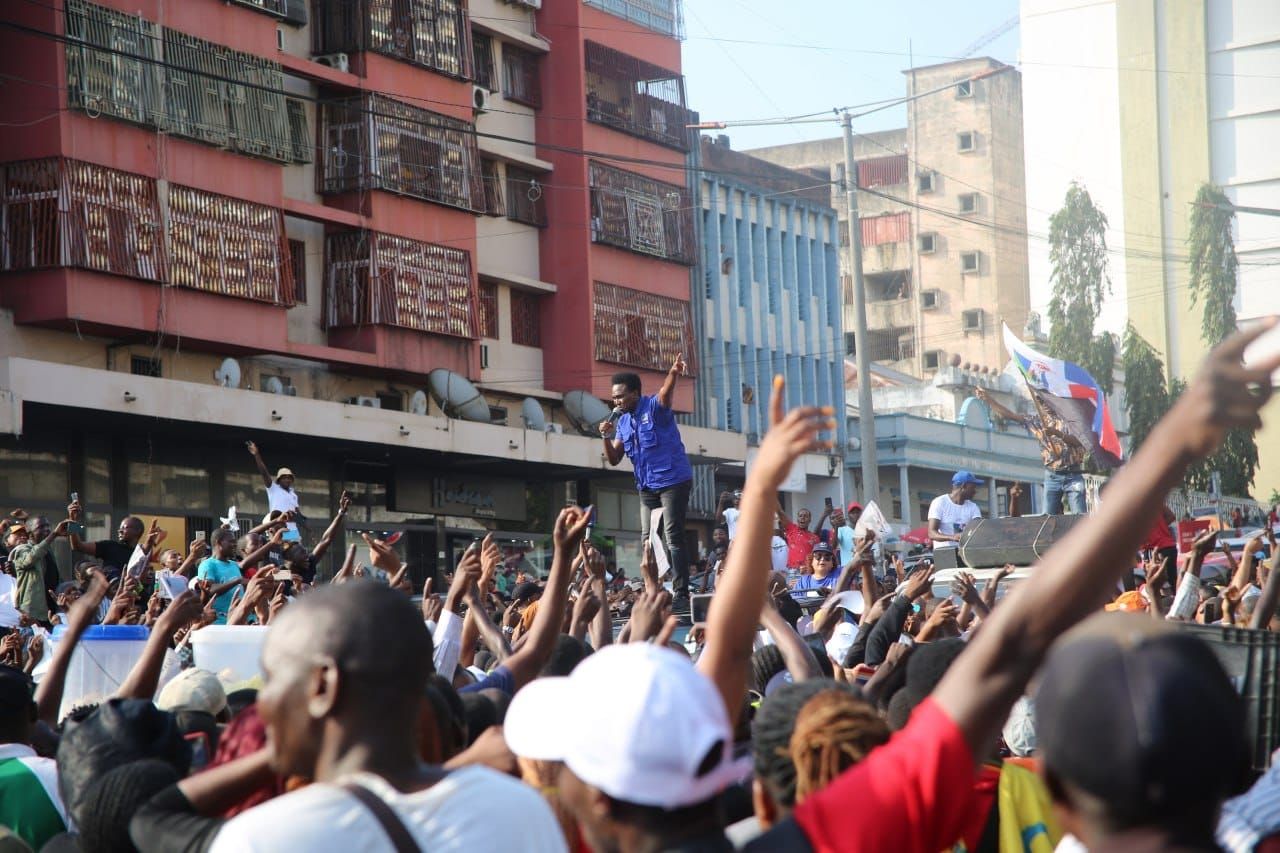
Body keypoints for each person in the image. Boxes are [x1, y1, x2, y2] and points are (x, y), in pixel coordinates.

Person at [739, 318, 1280, 852]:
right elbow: (1011, 646)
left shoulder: (849, 836)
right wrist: (1177, 440)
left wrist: (760, 494)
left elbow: (1010, 647)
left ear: (1063, 802)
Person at [132, 581, 566, 852]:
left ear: (323, 687)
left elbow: (149, 820)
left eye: (275, 678)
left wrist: (280, 753)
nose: (265, 705)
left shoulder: (270, 838)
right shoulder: (521, 808)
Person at [599, 356, 694, 604]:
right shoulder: (622, 424)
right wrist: (606, 438)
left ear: (635, 394)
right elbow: (615, 459)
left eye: (620, 396)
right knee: (647, 540)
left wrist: (673, 373)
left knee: (673, 533)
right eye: (614, 397)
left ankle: (682, 592)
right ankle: (654, 589)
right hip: (647, 487)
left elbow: (665, 393)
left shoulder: (654, 408)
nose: (615, 401)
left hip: (673, 480)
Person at [975, 386, 1087, 515]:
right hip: (1053, 475)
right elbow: (1009, 415)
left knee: (1079, 516)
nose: (1042, 404)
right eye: (1039, 400)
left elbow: (1080, 442)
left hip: (1073, 474)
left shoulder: (1069, 420)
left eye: (1045, 400)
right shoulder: (1037, 421)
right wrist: (989, 399)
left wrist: (1057, 433)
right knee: (1048, 517)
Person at [8, 518, 70, 624]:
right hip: (32, 614)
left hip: (50, 610)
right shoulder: (22, 549)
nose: (46, 529)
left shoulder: (48, 551)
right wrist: (54, 534)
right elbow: (30, 559)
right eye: (41, 527)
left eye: (47, 526)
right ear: (30, 533)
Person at [67, 499, 144, 579]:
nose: (120, 531)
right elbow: (78, 546)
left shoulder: (141, 554)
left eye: (125, 528)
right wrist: (72, 519)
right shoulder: (110, 546)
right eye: (120, 528)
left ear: (137, 531)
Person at [246, 441, 302, 542]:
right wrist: (256, 455)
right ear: (279, 479)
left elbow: (298, 515)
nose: (287, 480)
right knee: (279, 550)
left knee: (295, 552)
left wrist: (309, 529)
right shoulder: (273, 489)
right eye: (284, 477)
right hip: (278, 528)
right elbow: (264, 472)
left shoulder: (293, 494)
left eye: (289, 478)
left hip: (293, 530)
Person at [196, 529, 245, 624]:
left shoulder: (234, 564)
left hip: (238, 620)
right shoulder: (207, 564)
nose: (235, 545)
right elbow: (209, 589)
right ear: (219, 542)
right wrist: (236, 580)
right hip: (219, 622)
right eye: (231, 541)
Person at [928, 471, 984, 551]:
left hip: (965, 554)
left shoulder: (973, 507)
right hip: (944, 554)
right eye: (973, 487)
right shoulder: (939, 502)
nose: (975, 491)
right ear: (963, 486)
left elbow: (978, 529)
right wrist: (952, 537)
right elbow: (932, 533)